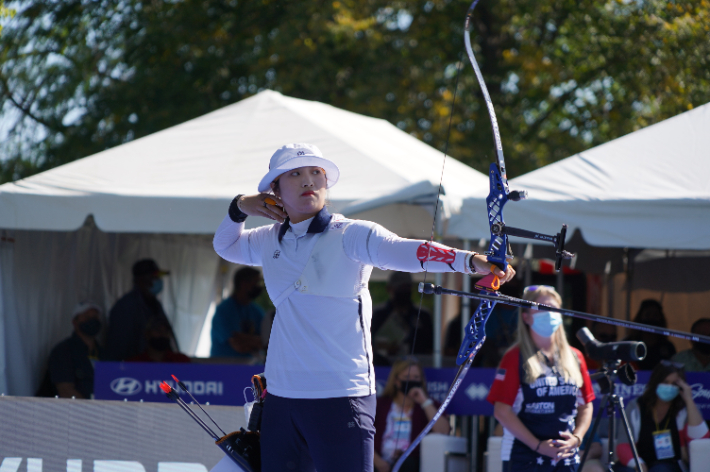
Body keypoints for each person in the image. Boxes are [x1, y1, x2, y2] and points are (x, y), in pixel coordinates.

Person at [212, 143, 515, 472]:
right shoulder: (269, 238)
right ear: (275, 190)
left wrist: (472, 261)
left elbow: (405, 251)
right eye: (295, 174)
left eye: (316, 173)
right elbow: (225, 245)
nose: (307, 181)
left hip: (341, 395)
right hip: (282, 397)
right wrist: (240, 206)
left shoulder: (350, 233)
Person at [487, 285, 595, 472]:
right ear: (526, 317)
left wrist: (577, 438)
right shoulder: (514, 357)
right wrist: (538, 445)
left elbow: (586, 404)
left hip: (565, 457)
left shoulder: (575, 356)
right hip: (524, 457)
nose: (549, 313)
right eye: (541, 308)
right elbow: (502, 411)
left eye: (553, 308)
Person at [615, 360, 709, 472]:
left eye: (674, 384)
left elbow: (701, 442)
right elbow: (623, 444)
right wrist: (638, 464)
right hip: (638, 462)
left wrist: (689, 400)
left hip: (670, 465)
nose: (669, 387)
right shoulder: (636, 406)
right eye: (665, 382)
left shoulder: (686, 409)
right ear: (656, 382)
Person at [373, 358, 449, 472]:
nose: (412, 381)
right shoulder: (379, 405)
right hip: (379, 463)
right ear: (396, 380)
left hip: (411, 464)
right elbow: (362, 436)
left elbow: (443, 431)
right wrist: (378, 462)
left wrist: (424, 402)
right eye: (407, 377)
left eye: (416, 378)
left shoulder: (430, 405)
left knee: (407, 465)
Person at [106, 258, 177, 361]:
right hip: (133, 368)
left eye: (158, 277)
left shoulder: (154, 303)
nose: (158, 281)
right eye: (154, 277)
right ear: (141, 280)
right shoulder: (127, 306)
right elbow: (118, 345)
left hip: (153, 365)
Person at [47, 302, 104, 399]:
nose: (92, 321)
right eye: (86, 317)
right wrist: (90, 410)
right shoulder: (63, 351)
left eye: (95, 317)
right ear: (75, 322)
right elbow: (65, 391)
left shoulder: (104, 353)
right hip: (75, 411)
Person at [371, 271, 434, 357]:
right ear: (389, 288)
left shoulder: (423, 315)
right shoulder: (377, 314)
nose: (403, 291)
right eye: (399, 287)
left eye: (406, 287)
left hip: (416, 367)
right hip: (383, 366)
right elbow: (370, 344)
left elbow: (430, 348)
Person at [210, 267, 265, 359]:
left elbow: (267, 341)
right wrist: (256, 341)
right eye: (256, 282)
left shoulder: (257, 311)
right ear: (243, 284)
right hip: (223, 367)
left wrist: (244, 338)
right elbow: (238, 345)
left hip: (248, 367)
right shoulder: (224, 310)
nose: (259, 287)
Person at [625, 300, 676, 371]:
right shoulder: (629, 343)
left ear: (660, 319)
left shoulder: (667, 346)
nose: (651, 319)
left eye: (655, 315)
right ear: (640, 318)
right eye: (647, 315)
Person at [127, 319, 191, 363]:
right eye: (158, 330)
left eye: (166, 331)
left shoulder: (181, 361)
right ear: (147, 334)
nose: (162, 334)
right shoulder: (135, 362)